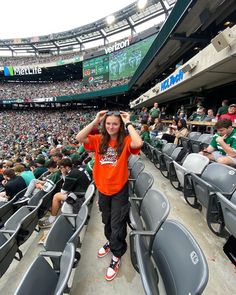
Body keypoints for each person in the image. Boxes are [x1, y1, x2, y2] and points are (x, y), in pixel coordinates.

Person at [76, 110, 142, 281]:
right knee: (106, 220)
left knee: (117, 223)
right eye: (108, 123)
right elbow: (79, 137)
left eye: (115, 123)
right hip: (103, 189)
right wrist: (96, 120)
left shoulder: (126, 140)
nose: (111, 126)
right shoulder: (99, 139)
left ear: (120, 126)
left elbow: (138, 142)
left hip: (119, 189)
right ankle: (111, 242)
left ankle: (117, 254)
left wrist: (128, 122)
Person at [39, 157, 91, 228]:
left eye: (61, 168)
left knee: (57, 196)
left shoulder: (72, 174)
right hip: (86, 191)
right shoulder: (78, 168)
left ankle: (51, 219)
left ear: (66, 167)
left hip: (80, 197)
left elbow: (63, 192)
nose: (60, 170)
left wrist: (64, 175)